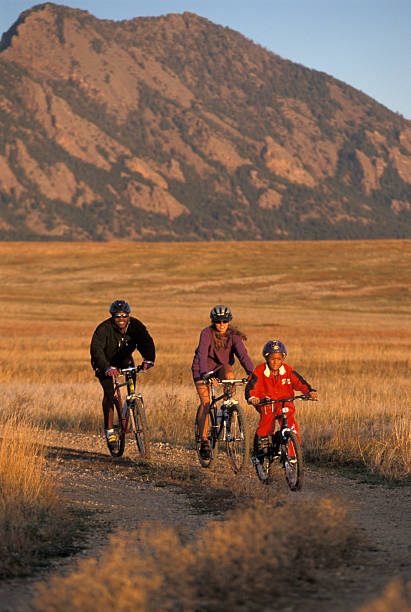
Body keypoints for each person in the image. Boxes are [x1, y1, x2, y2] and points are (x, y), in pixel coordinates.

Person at [90, 299, 155, 451]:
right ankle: (110, 431)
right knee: (109, 393)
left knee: (131, 368)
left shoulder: (136, 326)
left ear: (129, 315)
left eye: (124, 315)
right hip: (104, 363)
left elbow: (146, 342)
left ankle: (132, 402)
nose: (121, 319)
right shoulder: (104, 329)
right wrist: (106, 367)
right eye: (117, 316)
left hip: (124, 359)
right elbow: (96, 350)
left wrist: (149, 359)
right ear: (112, 316)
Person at [192, 304, 254, 459]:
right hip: (202, 368)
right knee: (206, 402)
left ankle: (227, 406)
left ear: (229, 322)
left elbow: (243, 355)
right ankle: (204, 440)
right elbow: (202, 353)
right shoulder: (206, 333)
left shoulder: (234, 336)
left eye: (224, 322)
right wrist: (205, 374)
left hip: (220, 367)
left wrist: (252, 373)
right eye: (218, 322)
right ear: (213, 322)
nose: (221, 325)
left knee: (229, 373)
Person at [245, 340, 317, 461]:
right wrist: (253, 398)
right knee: (266, 425)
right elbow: (251, 386)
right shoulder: (259, 371)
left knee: (292, 428)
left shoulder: (287, 370)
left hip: (285, 404)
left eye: (279, 359)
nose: (275, 362)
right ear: (267, 358)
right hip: (267, 404)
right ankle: (259, 452)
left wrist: (309, 391)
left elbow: (300, 382)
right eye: (272, 358)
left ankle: (293, 457)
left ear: (283, 358)